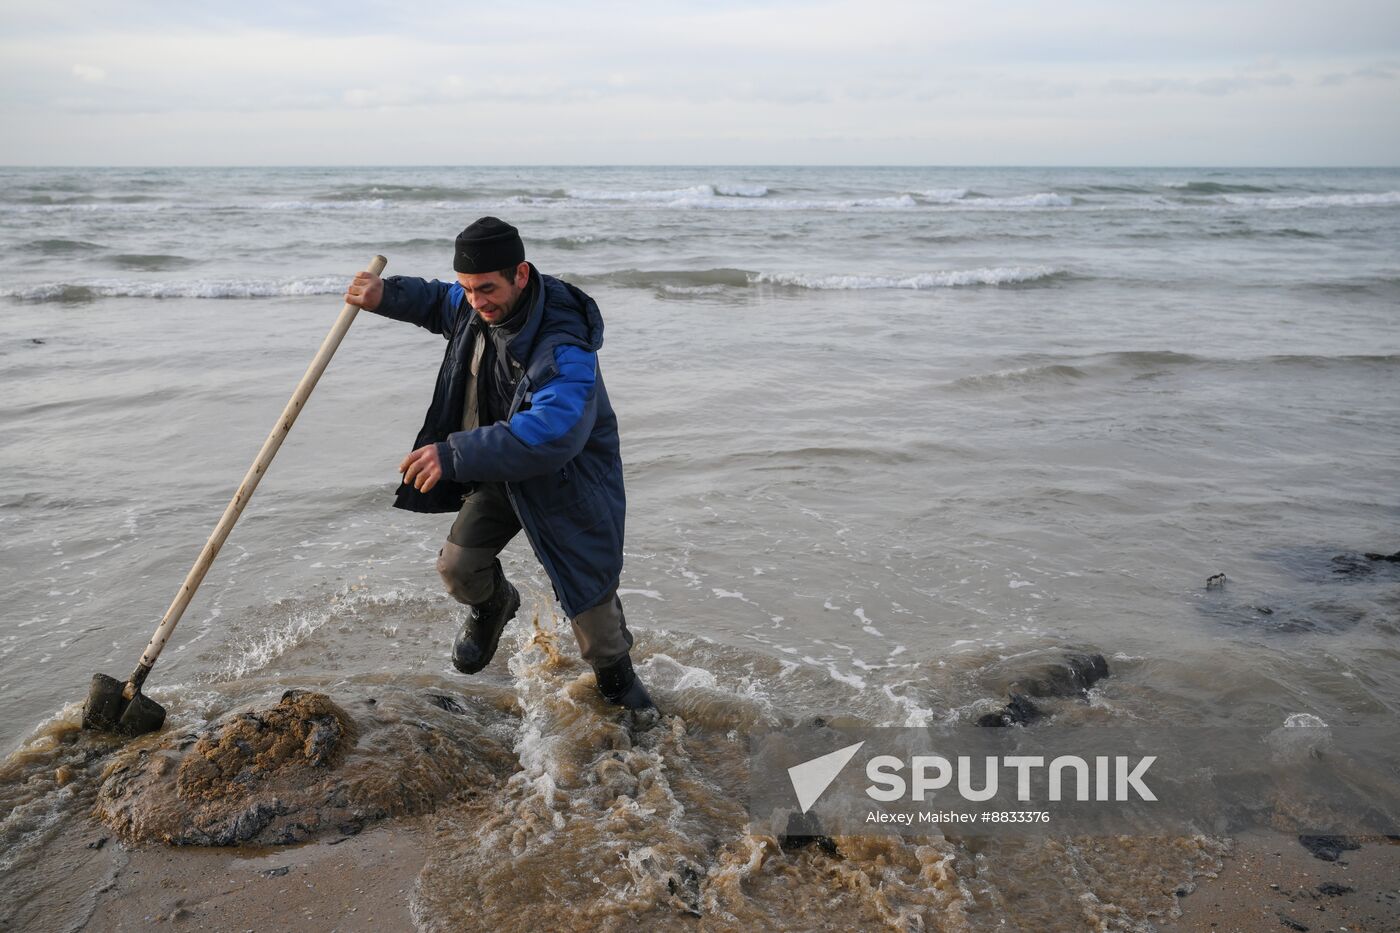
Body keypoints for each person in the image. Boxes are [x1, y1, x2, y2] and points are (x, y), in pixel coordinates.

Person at [344, 217, 653, 709]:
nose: (475, 301)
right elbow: (438, 300)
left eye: (486, 289)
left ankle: (624, 695)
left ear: (521, 275)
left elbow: (554, 430)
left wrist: (455, 453)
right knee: (458, 568)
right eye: (469, 289)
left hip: (567, 481)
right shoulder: (474, 306)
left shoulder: (565, 346)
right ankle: (495, 606)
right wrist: (386, 295)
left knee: (596, 624)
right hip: (501, 467)